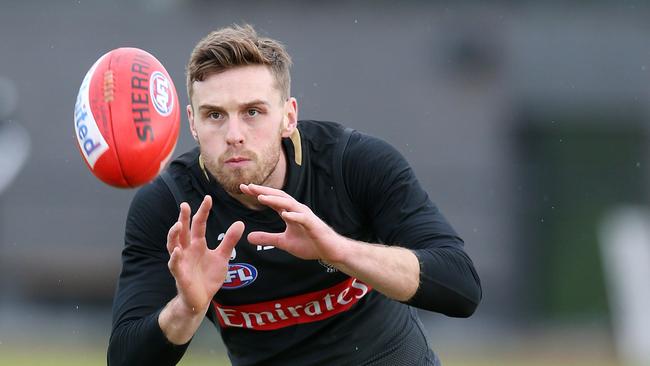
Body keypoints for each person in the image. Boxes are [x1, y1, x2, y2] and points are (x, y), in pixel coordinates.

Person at [108, 24, 482, 366]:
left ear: (289, 117)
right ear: (192, 122)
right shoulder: (172, 207)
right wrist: (187, 307)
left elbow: (461, 287)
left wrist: (338, 251)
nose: (234, 133)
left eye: (252, 112)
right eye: (215, 115)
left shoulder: (353, 164)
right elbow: (125, 360)